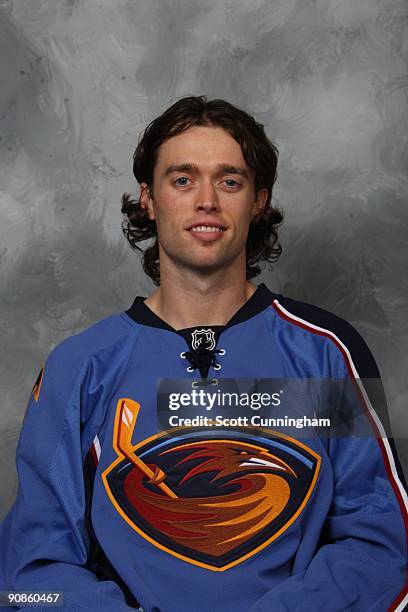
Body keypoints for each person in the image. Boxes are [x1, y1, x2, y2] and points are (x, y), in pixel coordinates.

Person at [1, 95, 407, 612]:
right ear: (148, 199)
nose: (207, 200)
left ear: (258, 200)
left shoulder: (327, 351)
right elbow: (30, 572)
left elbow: (381, 548)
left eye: (230, 180)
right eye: (183, 179)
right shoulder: (79, 367)